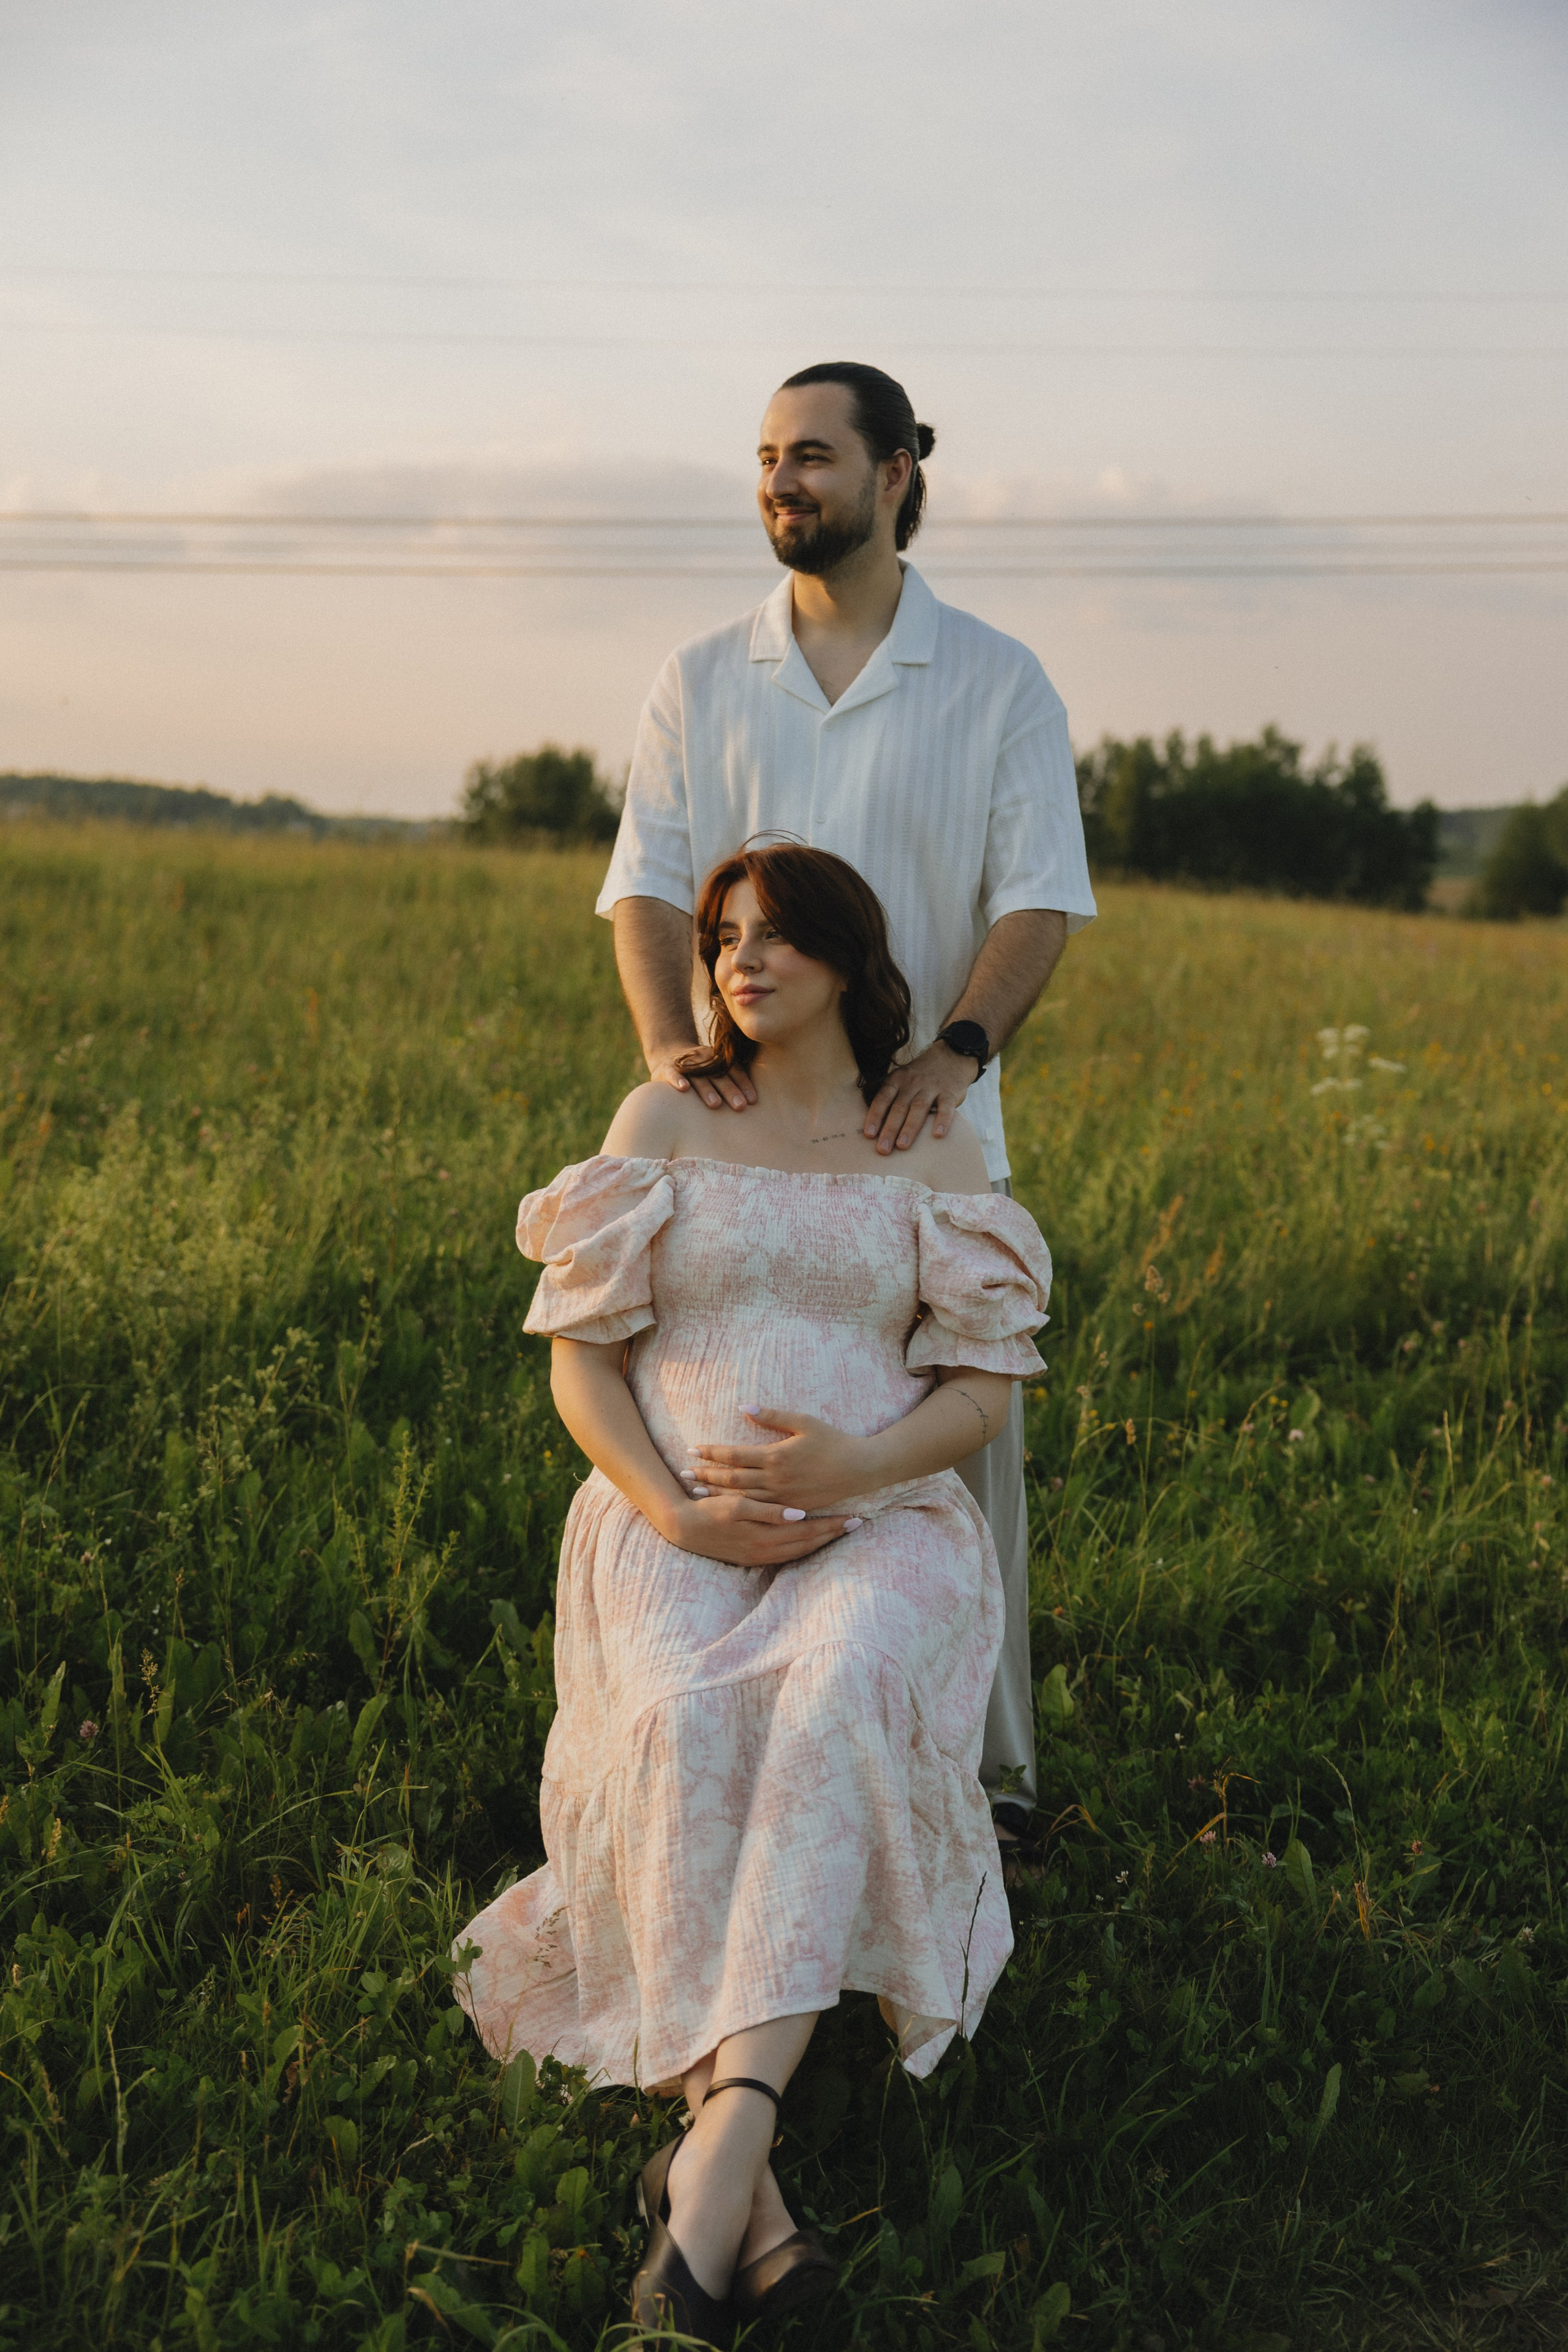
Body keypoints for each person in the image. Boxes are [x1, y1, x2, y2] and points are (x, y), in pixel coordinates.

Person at [455, 843, 1052, 2340]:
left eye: (775, 936)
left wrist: (855, 1464)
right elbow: (582, 1362)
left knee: (834, 1689)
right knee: (677, 1722)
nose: (740, 962)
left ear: (848, 959)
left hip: (880, 1521)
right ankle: (752, 2202)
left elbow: (982, 1392)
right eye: (721, 938)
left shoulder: (925, 1139)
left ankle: (716, 2157)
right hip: (668, 1522)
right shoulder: (665, 1115)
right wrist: (673, 1508)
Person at [597, 360, 1095, 1858]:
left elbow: (1037, 897)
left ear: (893, 475)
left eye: (810, 455)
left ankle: (976, 1786)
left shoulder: (995, 678)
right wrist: (671, 1047)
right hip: (737, 1134)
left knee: (947, 1453)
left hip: (913, 1139)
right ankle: (706, 1742)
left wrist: (955, 1052)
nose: (780, 481)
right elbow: (647, 890)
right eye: (765, 456)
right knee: (714, 1410)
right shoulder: (698, 675)